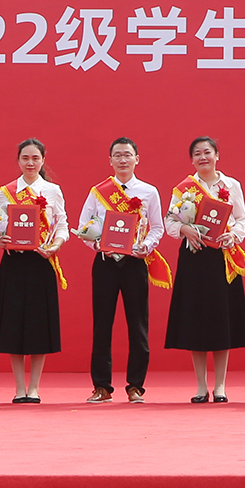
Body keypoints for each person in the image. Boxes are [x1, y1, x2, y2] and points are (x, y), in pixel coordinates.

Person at [77, 137, 170, 404]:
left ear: (136, 159)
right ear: (110, 161)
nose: (122, 160)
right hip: (105, 263)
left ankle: (136, 386)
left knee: (138, 324)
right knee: (102, 325)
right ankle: (102, 387)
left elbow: (157, 227)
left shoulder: (149, 192)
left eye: (127, 155)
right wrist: (97, 244)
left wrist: (146, 247)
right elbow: (83, 226)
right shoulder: (99, 192)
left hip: (135, 263)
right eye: (117, 155)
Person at [163, 136, 245, 403]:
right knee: (196, 320)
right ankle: (201, 386)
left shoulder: (231, 185)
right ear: (192, 160)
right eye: (197, 154)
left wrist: (233, 235)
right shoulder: (183, 189)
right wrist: (184, 229)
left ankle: (220, 386)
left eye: (207, 152)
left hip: (222, 258)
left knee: (222, 321)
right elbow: (169, 221)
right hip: (194, 258)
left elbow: (242, 219)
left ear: (217, 156)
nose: (203, 157)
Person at [0, 138, 69, 403]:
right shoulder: (7, 191)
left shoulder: (52, 191)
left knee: (38, 325)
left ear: (43, 160)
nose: (30, 163)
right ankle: (19, 387)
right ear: (18, 161)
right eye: (25, 158)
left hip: (41, 261)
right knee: (13, 324)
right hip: (14, 263)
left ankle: (34, 387)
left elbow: (62, 225)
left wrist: (55, 245)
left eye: (35, 158)